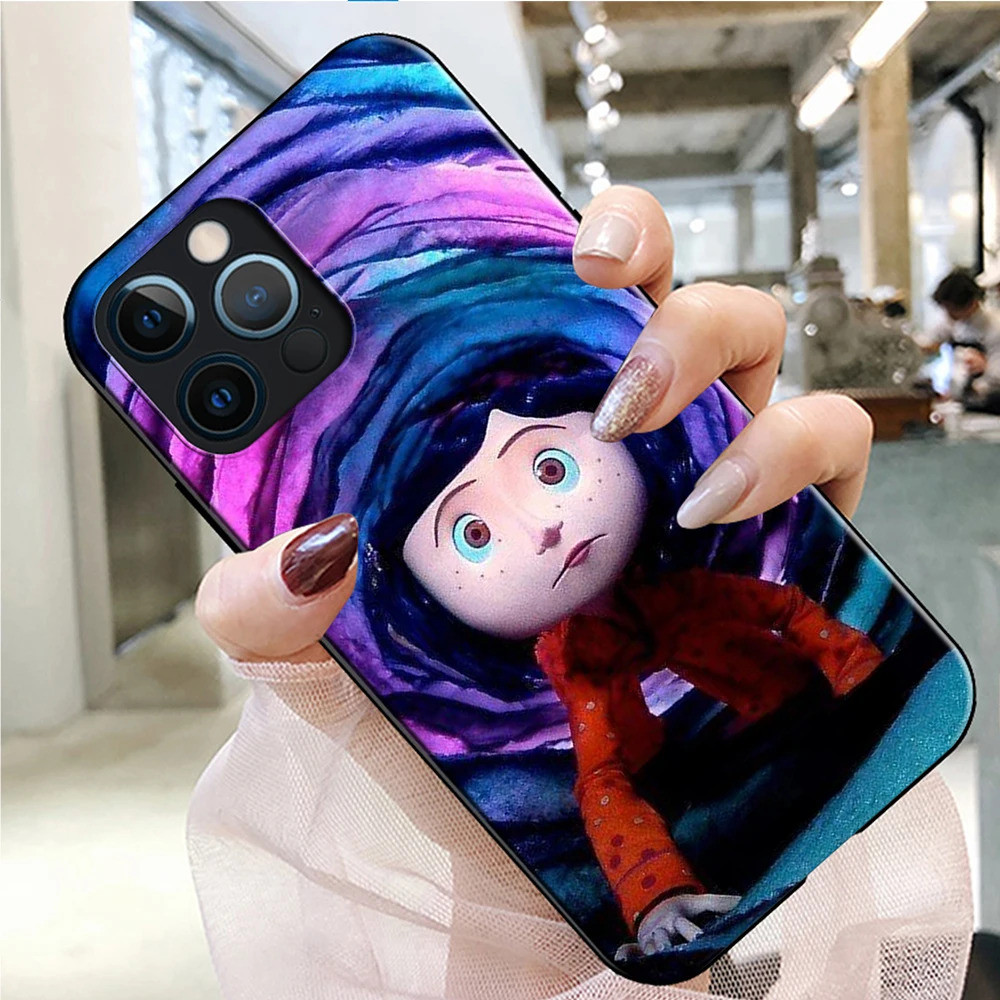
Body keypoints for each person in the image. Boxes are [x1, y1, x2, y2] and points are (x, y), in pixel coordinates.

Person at [194, 186, 879, 970]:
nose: (545, 527)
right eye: (474, 533)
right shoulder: (579, 671)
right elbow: (602, 782)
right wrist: (653, 894)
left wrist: (855, 662)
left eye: (550, 467)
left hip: (774, 717)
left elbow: (781, 606)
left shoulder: (681, 592)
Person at [925, 268, 1000, 414]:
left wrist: (985, 367)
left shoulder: (994, 327)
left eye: (952, 309)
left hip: (991, 402)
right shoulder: (952, 322)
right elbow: (928, 341)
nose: (948, 314)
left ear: (972, 303)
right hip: (960, 400)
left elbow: (996, 374)